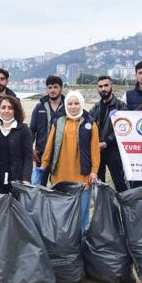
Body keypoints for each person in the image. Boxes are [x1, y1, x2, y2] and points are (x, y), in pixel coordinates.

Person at [39, 91, 99, 231]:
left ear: (81, 104)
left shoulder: (90, 123)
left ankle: (82, 241)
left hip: (82, 176)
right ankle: (63, 243)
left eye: (76, 103)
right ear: (66, 105)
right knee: (61, 212)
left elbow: (95, 150)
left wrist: (94, 171)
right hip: (60, 175)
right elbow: (49, 146)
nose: (73, 107)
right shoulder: (58, 121)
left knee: (82, 212)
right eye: (70, 104)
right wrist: (44, 165)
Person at [90, 75, 128, 192]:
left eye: (106, 85)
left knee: (119, 183)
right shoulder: (95, 108)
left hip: (114, 151)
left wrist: (106, 142)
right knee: (99, 184)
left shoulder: (121, 106)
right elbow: (88, 127)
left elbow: (124, 130)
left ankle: (126, 208)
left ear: (112, 86)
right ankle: (102, 208)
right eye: (100, 86)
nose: (103, 89)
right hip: (98, 152)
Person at [0, 96, 33, 195]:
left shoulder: (24, 130)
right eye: (3, 107)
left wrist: (26, 179)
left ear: (15, 110)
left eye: (10, 108)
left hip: (16, 179)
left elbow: (28, 157)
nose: (6, 110)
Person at [29, 75, 65, 184]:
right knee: (39, 186)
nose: (52, 90)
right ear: (46, 89)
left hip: (61, 154)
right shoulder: (39, 107)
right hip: (42, 153)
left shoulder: (68, 107)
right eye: (50, 87)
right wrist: (31, 148)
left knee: (59, 187)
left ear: (61, 88)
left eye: (55, 87)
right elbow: (32, 129)